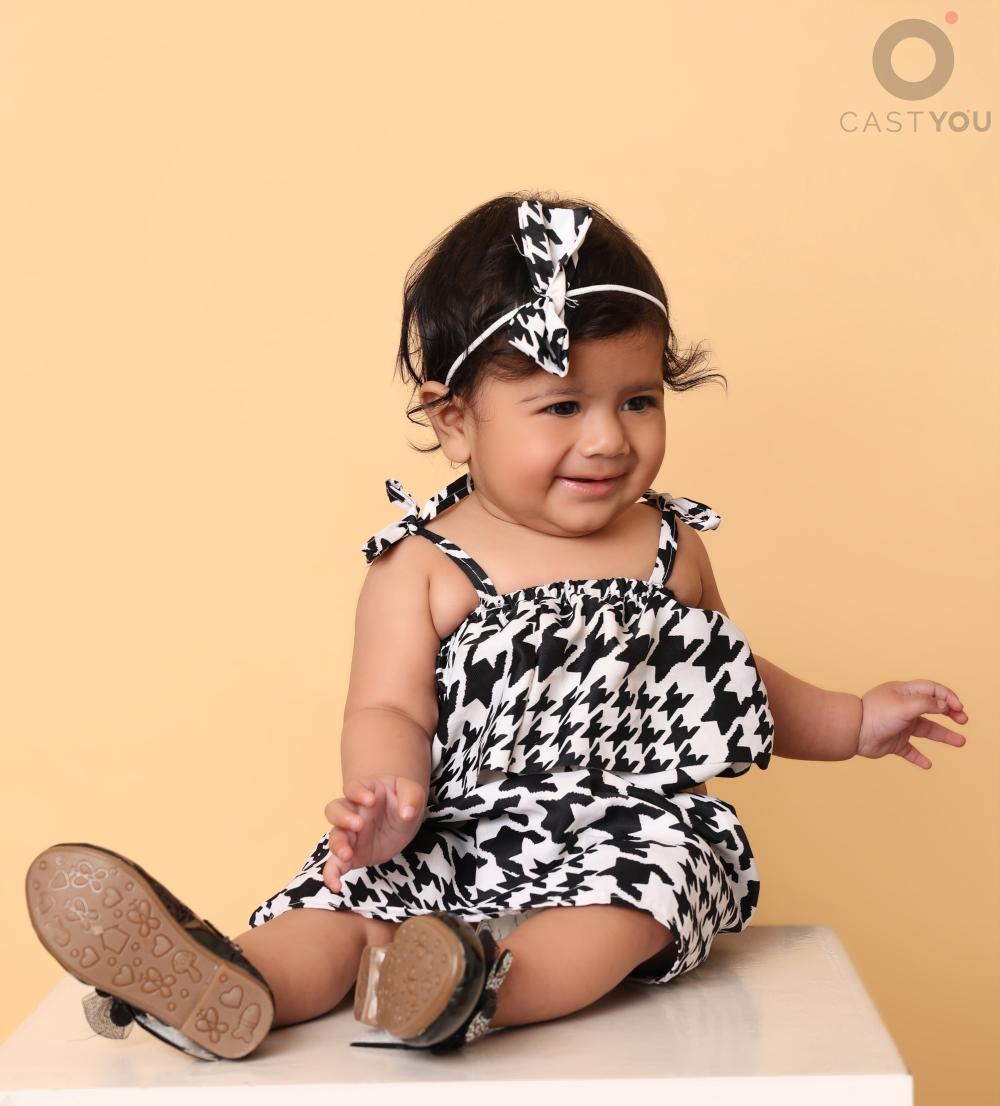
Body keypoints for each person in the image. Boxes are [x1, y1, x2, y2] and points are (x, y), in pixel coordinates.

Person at [23, 193, 969, 1061]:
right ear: (453, 420)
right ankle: (225, 982)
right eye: (562, 406)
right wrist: (385, 797)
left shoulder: (667, 549)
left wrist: (852, 722)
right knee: (347, 908)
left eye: (638, 400)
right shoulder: (424, 564)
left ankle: (470, 992)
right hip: (449, 832)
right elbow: (388, 707)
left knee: (633, 903)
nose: (608, 438)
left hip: (620, 831)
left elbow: (728, 683)